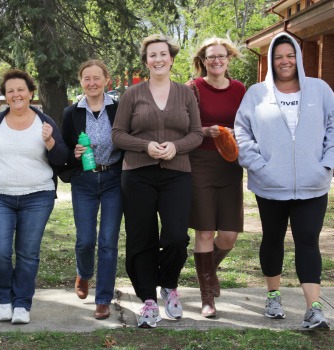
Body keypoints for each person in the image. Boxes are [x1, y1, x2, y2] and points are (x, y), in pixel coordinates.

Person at [235, 32, 334, 329]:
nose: (284, 61)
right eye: (278, 57)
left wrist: (326, 164)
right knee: (272, 239)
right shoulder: (256, 94)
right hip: (270, 185)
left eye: (289, 55)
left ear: (298, 57)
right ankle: (273, 296)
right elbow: (241, 132)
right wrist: (259, 166)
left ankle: (314, 308)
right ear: (270, 61)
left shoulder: (320, 90)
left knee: (307, 242)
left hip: (312, 185)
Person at [112, 34, 203, 328]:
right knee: (142, 237)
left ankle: (169, 285)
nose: (158, 59)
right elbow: (118, 134)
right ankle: (148, 301)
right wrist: (144, 146)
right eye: (152, 55)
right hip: (137, 173)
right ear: (146, 61)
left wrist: (177, 147)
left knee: (176, 236)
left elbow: (197, 133)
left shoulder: (186, 93)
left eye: (163, 54)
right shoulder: (132, 95)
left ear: (171, 58)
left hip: (177, 172)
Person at [0, 69, 68, 325]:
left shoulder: (45, 122)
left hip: (38, 196)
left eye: (20, 90)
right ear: (5, 96)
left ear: (31, 93)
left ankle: (22, 303)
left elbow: (62, 159)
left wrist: (49, 142)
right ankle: (4, 299)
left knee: (27, 254)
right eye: (10, 90)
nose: (16, 95)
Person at [187, 37, 246, 318]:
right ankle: (207, 297)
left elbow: (248, 124)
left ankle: (209, 270)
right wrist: (203, 131)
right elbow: (182, 125)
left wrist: (237, 134)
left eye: (221, 56)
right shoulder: (193, 88)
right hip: (200, 163)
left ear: (228, 58)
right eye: (211, 57)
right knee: (205, 232)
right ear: (203, 61)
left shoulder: (239, 90)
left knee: (229, 235)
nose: (216, 61)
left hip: (230, 164)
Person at [60, 60, 123, 320]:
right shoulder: (71, 113)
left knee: (108, 241)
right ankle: (84, 274)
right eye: (87, 78)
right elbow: (63, 148)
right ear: (81, 81)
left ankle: (104, 298)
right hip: (84, 181)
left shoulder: (119, 109)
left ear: (107, 79)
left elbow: (127, 139)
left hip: (114, 180)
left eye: (97, 78)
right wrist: (74, 154)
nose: (92, 83)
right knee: (85, 240)